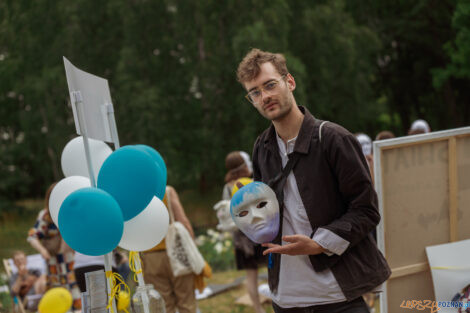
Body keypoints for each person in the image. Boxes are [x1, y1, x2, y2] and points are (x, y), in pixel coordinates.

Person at [236, 48, 391, 313]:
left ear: (290, 82)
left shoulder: (333, 139)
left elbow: (366, 210)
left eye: (270, 85)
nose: (265, 97)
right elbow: (264, 210)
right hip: (285, 298)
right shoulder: (261, 147)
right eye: (255, 92)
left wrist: (320, 244)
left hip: (337, 296)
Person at [222, 151, 267, 313]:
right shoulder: (250, 182)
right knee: (272, 269)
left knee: (251, 276)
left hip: (241, 238)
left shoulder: (227, 188)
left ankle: (258, 309)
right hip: (259, 231)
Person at [141, 186, 197, 313]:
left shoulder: (138, 193)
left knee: (164, 306)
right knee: (186, 303)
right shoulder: (167, 191)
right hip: (177, 252)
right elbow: (183, 221)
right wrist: (192, 249)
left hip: (151, 257)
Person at [27, 183, 82, 311]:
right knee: (57, 296)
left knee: (74, 295)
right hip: (54, 264)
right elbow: (32, 236)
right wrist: (42, 250)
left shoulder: (68, 213)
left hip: (69, 262)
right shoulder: (46, 215)